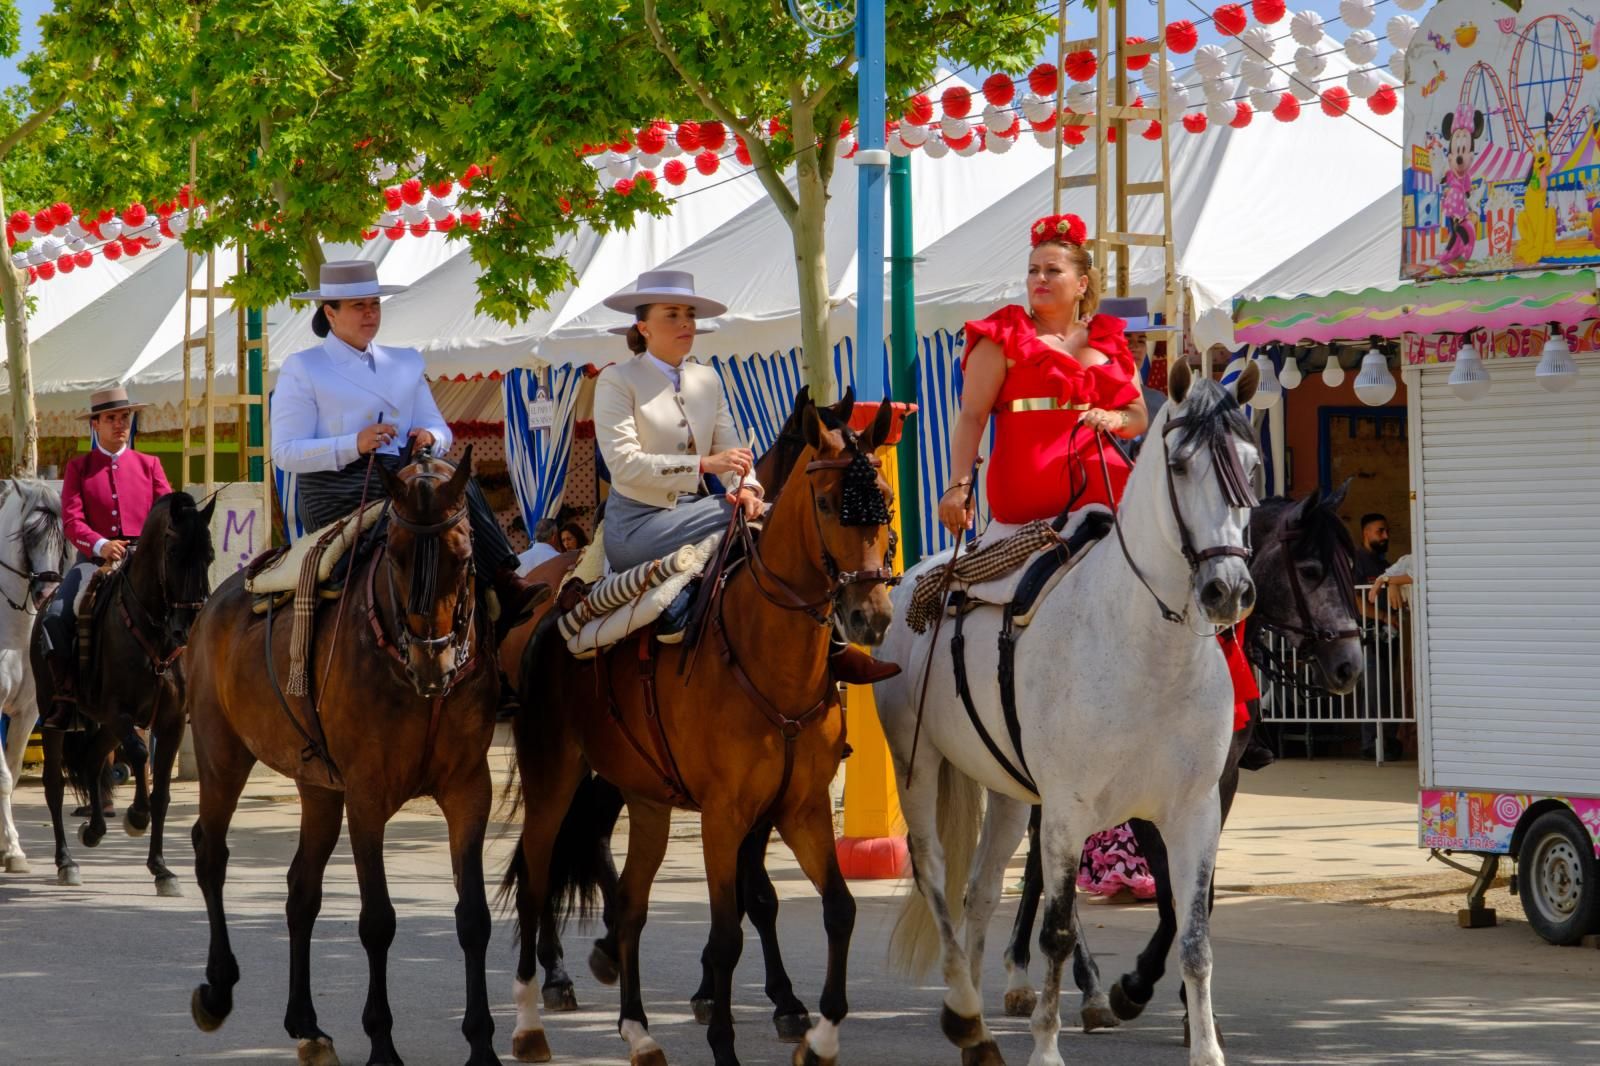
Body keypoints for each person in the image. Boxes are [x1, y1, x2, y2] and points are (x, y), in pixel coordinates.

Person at [939, 214, 1254, 900]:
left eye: (1053, 270)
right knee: (992, 603)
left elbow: (1141, 416)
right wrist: (958, 482)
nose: (1039, 280)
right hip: (1026, 513)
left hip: (1104, 503)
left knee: (1168, 591)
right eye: (1033, 269)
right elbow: (969, 417)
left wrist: (1117, 419)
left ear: (1084, 283)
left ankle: (1214, 703)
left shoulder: (1109, 340)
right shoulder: (1003, 336)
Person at [593, 269, 895, 683]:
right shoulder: (617, 380)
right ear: (643, 327)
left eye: (689, 314)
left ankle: (830, 643)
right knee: (777, 521)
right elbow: (623, 463)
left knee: (766, 519)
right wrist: (703, 466)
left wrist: (749, 487)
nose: (685, 323)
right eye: (672, 315)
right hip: (635, 525)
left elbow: (734, 450)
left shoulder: (707, 379)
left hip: (701, 512)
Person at [270, 260, 544, 632]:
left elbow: (437, 425)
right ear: (329, 314)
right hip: (336, 487)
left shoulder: (405, 361)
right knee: (418, 527)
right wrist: (354, 443)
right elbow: (286, 452)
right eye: (358, 306)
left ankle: (503, 580)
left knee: (455, 487)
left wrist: (431, 438)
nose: (370, 314)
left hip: (403, 474)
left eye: (374, 305)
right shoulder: (303, 367)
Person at [39, 387, 173, 730]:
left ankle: (187, 691)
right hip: (94, 563)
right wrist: (100, 545)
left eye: (124, 418)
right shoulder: (79, 468)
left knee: (190, 608)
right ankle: (67, 696)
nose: (120, 424)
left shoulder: (150, 465)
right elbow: (72, 521)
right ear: (95, 424)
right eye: (111, 418)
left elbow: (168, 512)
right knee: (54, 616)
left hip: (143, 562)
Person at [1351, 513, 1404, 759]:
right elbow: (1358, 603)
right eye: (1380, 531)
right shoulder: (1357, 561)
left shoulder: (1386, 565)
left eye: (1386, 531)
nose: (1385, 536)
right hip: (1368, 636)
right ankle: (1371, 743)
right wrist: (1384, 617)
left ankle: (1388, 739)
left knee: (1387, 689)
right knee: (1374, 689)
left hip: (1388, 637)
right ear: (1366, 533)